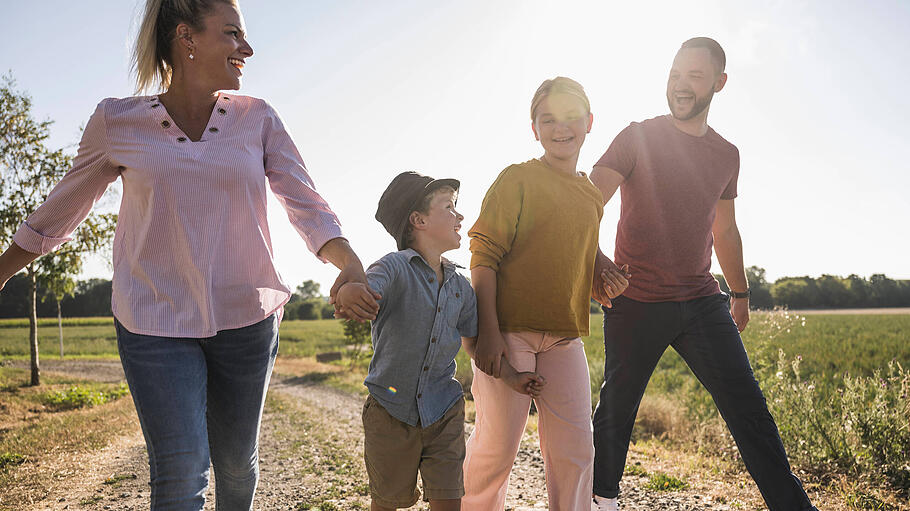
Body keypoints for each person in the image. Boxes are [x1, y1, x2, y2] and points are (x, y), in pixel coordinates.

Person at [0, 1, 378, 509]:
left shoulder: (257, 119)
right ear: (187, 37)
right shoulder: (118, 122)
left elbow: (305, 202)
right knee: (180, 471)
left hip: (246, 317)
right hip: (153, 319)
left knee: (236, 467)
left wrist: (348, 265)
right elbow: (60, 210)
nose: (246, 48)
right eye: (232, 34)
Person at [589, 37, 818, 511]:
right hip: (636, 301)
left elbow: (726, 229)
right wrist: (595, 262)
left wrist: (740, 293)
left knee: (749, 409)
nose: (681, 84)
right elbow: (585, 204)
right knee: (616, 410)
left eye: (694, 75)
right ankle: (600, 503)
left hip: (701, 301)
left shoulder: (726, 154)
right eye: (675, 73)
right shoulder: (637, 136)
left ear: (719, 82)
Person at [464, 77, 630, 510]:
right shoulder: (517, 179)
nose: (561, 128)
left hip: (563, 337)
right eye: (548, 119)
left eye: (572, 117)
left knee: (576, 451)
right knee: (497, 450)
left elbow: (580, 244)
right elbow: (484, 253)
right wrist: (488, 332)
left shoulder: (592, 196)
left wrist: (602, 270)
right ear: (534, 127)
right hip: (508, 331)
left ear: (590, 122)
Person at [338, 171, 544, 511]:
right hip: (390, 412)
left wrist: (512, 376)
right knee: (388, 502)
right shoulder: (393, 268)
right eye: (448, 206)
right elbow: (367, 287)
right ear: (418, 220)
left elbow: (476, 344)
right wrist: (351, 291)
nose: (460, 215)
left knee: (450, 499)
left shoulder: (461, 286)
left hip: (443, 411)